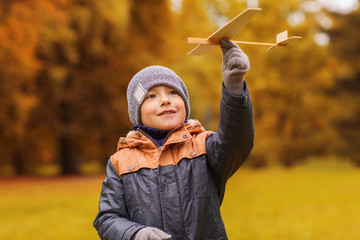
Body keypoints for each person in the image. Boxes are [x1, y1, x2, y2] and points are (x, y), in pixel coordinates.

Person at [93, 40, 255, 240]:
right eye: (151, 96)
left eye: (173, 92)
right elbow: (108, 218)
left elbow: (237, 140)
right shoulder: (120, 162)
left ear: (184, 104)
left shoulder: (204, 146)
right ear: (138, 113)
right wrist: (135, 234)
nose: (165, 100)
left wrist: (234, 88)